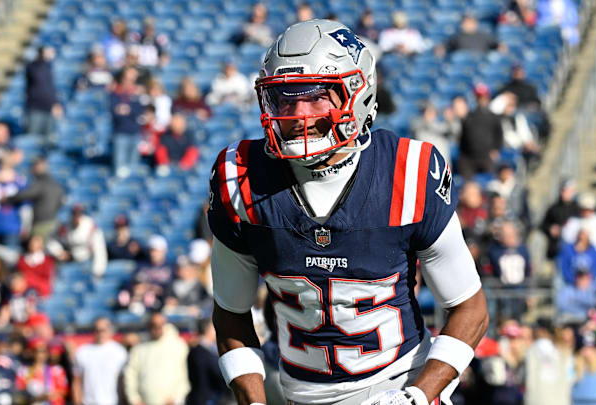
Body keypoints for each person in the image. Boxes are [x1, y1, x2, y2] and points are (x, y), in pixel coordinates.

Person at [208, 19, 488, 405]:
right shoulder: (239, 175)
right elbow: (230, 315)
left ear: (358, 95)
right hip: (300, 394)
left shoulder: (407, 170)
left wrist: (418, 396)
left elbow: (469, 307)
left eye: (315, 96)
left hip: (398, 382)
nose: (296, 114)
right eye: (284, 98)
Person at [124, 312, 190, 405]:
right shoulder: (139, 349)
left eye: (161, 324)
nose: (157, 328)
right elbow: (130, 376)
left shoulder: (178, 346)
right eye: (153, 325)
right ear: (148, 326)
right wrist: (135, 400)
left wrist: (176, 398)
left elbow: (184, 375)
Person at [4, 157, 65, 239]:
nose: (31, 169)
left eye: (33, 166)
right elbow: (60, 203)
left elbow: (25, 195)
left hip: (41, 225)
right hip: (52, 222)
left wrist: (7, 199)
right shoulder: (56, 184)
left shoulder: (41, 183)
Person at [72, 317, 128, 405]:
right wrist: (77, 401)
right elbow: (77, 381)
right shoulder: (83, 351)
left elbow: (123, 381)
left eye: (103, 330)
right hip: (88, 402)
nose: (100, 333)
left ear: (110, 330)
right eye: (96, 330)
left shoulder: (119, 352)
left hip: (112, 402)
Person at [458, 84, 503, 178]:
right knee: (466, 181)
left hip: (486, 155)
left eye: (483, 97)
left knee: (490, 180)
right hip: (469, 156)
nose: (481, 99)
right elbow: (463, 136)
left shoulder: (493, 117)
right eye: (479, 97)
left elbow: (499, 135)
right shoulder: (469, 116)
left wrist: (495, 149)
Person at [25, 46, 62, 137]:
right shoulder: (33, 67)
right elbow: (37, 79)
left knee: (49, 140)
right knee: (33, 139)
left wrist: (55, 103)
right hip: (35, 108)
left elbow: (50, 88)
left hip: (49, 109)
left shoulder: (48, 67)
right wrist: (41, 55)